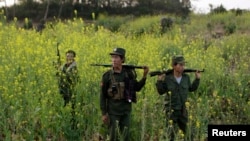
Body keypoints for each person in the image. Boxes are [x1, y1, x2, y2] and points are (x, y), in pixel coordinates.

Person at [100, 47, 149, 141]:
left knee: (125, 137)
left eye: (116, 57)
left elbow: (137, 88)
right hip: (113, 112)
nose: (113, 60)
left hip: (126, 111)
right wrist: (104, 113)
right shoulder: (107, 76)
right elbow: (102, 96)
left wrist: (144, 76)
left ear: (122, 59)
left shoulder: (128, 74)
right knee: (113, 137)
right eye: (112, 57)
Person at [155, 55, 201, 141]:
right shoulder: (168, 78)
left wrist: (197, 79)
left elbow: (191, 88)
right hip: (171, 110)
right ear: (173, 66)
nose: (183, 67)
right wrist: (159, 80)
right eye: (180, 65)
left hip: (183, 110)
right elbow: (160, 91)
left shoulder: (186, 78)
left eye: (184, 65)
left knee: (188, 134)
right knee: (170, 135)